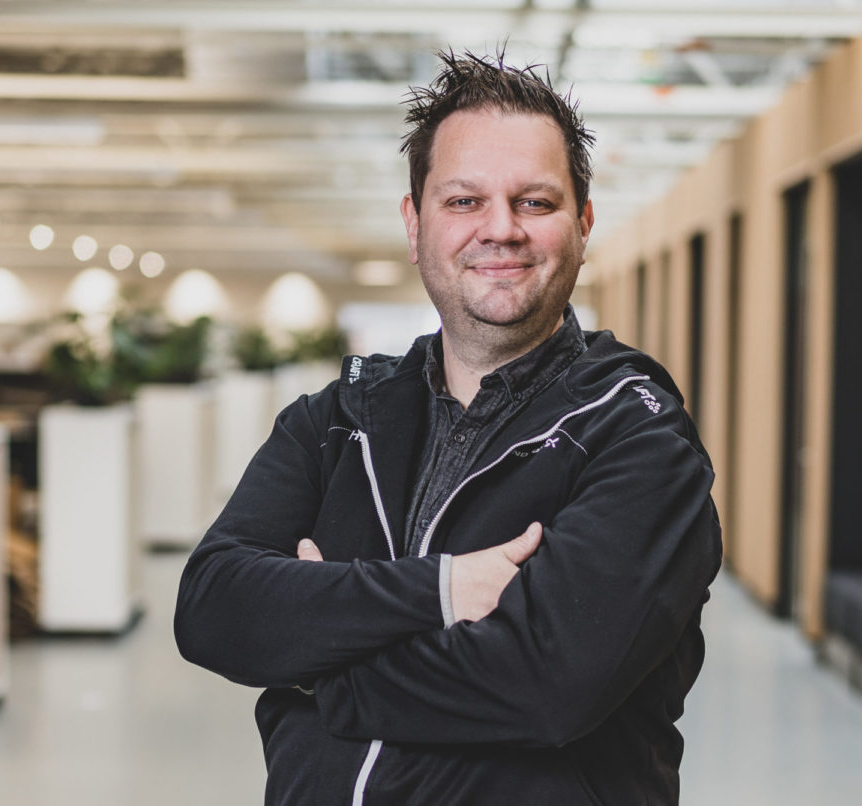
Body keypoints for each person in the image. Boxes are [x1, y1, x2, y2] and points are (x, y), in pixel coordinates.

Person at [174, 50, 722, 805]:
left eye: (535, 202)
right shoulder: (334, 421)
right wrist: (441, 590)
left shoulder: (639, 439)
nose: (500, 229)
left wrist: (316, 656)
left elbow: (545, 685)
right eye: (464, 200)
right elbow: (213, 608)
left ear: (584, 224)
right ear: (415, 224)